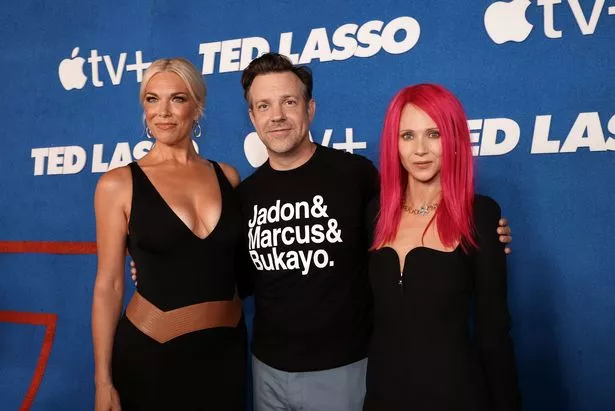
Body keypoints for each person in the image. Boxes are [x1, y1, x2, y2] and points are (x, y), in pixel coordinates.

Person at [236, 54, 512, 411]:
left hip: (347, 371)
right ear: (252, 116)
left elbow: (493, 330)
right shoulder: (245, 195)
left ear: (310, 108)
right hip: (272, 372)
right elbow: (236, 274)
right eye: (264, 105)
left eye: (289, 101)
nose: (277, 115)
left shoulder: (356, 176)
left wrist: (487, 233)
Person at [91, 57, 246, 411]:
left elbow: (235, 266)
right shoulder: (118, 184)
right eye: (152, 99)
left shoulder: (228, 177)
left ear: (197, 107)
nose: (163, 112)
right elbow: (108, 286)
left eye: (177, 98)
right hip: (150, 355)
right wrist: (102, 380)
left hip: (225, 354)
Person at [364, 84, 521, 410]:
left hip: (456, 395)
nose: (420, 149)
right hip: (383, 396)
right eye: (407, 135)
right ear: (394, 143)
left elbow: (494, 332)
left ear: (453, 140)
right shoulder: (375, 213)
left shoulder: (479, 214)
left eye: (433, 134)